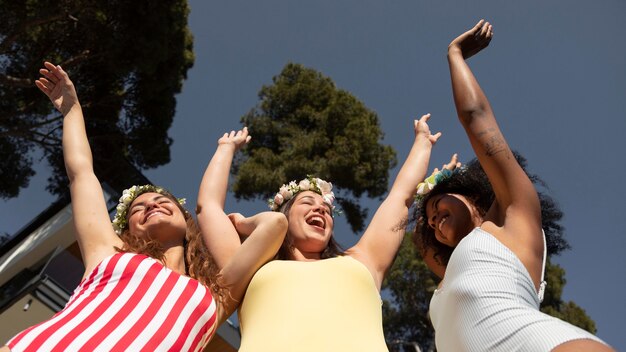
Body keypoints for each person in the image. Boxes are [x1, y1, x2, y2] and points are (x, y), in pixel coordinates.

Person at [2, 62, 287, 352]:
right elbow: (81, 173)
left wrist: (240, 221)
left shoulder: (216, 297)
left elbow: (275, 225)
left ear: (186, 221)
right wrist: (72, 111)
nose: (152, 202)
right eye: (139, 207)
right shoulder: (107, 252)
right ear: (127, 229)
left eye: (162, 200)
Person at [413, 20, 613, 351]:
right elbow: (419, 232)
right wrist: (431, 186)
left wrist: (455, 54)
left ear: (471, 194)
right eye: (432, 221)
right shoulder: (447, 273)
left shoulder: (513, 218)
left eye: (439, 207)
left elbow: (476, 118)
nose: (433, 221)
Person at [197, 109, 442, 351]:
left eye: (325, 208)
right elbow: (208, 208)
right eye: (307, 203)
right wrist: (226, 148)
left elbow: (400, 197)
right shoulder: (248, 267)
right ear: (283, 216)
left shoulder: (363, 261)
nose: (321, 210)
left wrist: (423, 142)